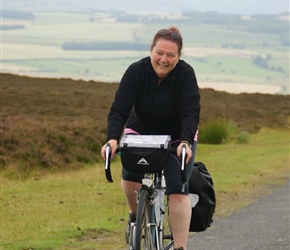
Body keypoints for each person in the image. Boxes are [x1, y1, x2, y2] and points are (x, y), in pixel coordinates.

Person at [101, 26, 200, 250]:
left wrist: (185, 141)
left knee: (178, 190)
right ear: (151, 50)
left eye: (170, 55)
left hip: (177, 137)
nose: (163, 59)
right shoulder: (136, 71)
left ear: (178, 56)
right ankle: (136, 215)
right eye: (159, 53)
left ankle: (180, 247)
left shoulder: (185, 74)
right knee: (130, 176)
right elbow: (119, 109)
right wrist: (112, 139)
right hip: (141, 131)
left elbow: (190, 112)